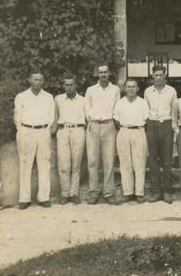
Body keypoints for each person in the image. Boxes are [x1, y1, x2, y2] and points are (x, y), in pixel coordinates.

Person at [14, 71, 55, 209]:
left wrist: (47, 129)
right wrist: (22, 130)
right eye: (35, 79)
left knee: (44, 164)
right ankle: (24, 199)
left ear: (43, 82)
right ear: (29, 80)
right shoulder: (21, 97)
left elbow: (52, 116)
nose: (38, 82)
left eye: (40, 80)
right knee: (25, 165)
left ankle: (44, 197)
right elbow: (17, 116)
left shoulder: (48, 97)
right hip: (26, 131)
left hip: (43, 131)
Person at [85, 64, 121, 205]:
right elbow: (87, 108)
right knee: (92, 161)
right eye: (101, 72)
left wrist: (110, 121)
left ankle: (108, 192)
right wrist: (92, 121)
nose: (103, 74)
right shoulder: (91, 90)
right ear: (97, 74)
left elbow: (117, 108)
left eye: (106, 72)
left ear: (109, 73)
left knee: (108, 160)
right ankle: (93, 191)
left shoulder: (115, 89)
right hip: (94, 125)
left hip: (108, 125)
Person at [113, 79, 150, 204]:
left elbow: (147, 119)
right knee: (125, 164)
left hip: (138, 132)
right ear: (124, 89)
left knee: (139, 163)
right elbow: (116, 120)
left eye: (134, 86)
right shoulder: (120, 103)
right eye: (128, 87)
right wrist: (125, 129)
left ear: (138, 89)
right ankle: (127, 192)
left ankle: (139, 192)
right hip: (124, 131)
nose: (131, 89)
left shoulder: (143, 103)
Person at [144, 65, 177, 204]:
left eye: (160, 75)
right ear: (152, 77)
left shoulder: (171, 91)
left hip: (166, 124)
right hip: (152, 124)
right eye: (155, 75)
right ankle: (156, 192)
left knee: (167, 160)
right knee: (153, 160)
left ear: (165, 76)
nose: (158, 77)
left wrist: (173, 128)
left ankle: (168, 192)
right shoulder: (147, 91)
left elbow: (174, 111)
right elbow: (144, 109)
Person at [52, 73, 86, 205]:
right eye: (66, 85)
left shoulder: (83, 100)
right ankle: (65, 194)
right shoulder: (58, 99)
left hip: (78, 130)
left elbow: (87, 117)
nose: (69, 87)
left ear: (75, 85)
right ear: (63, 86)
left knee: (76, 164)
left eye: (71, 84)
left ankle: (74, 193)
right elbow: (55, 116)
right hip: (63, 130)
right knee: (64, 164)